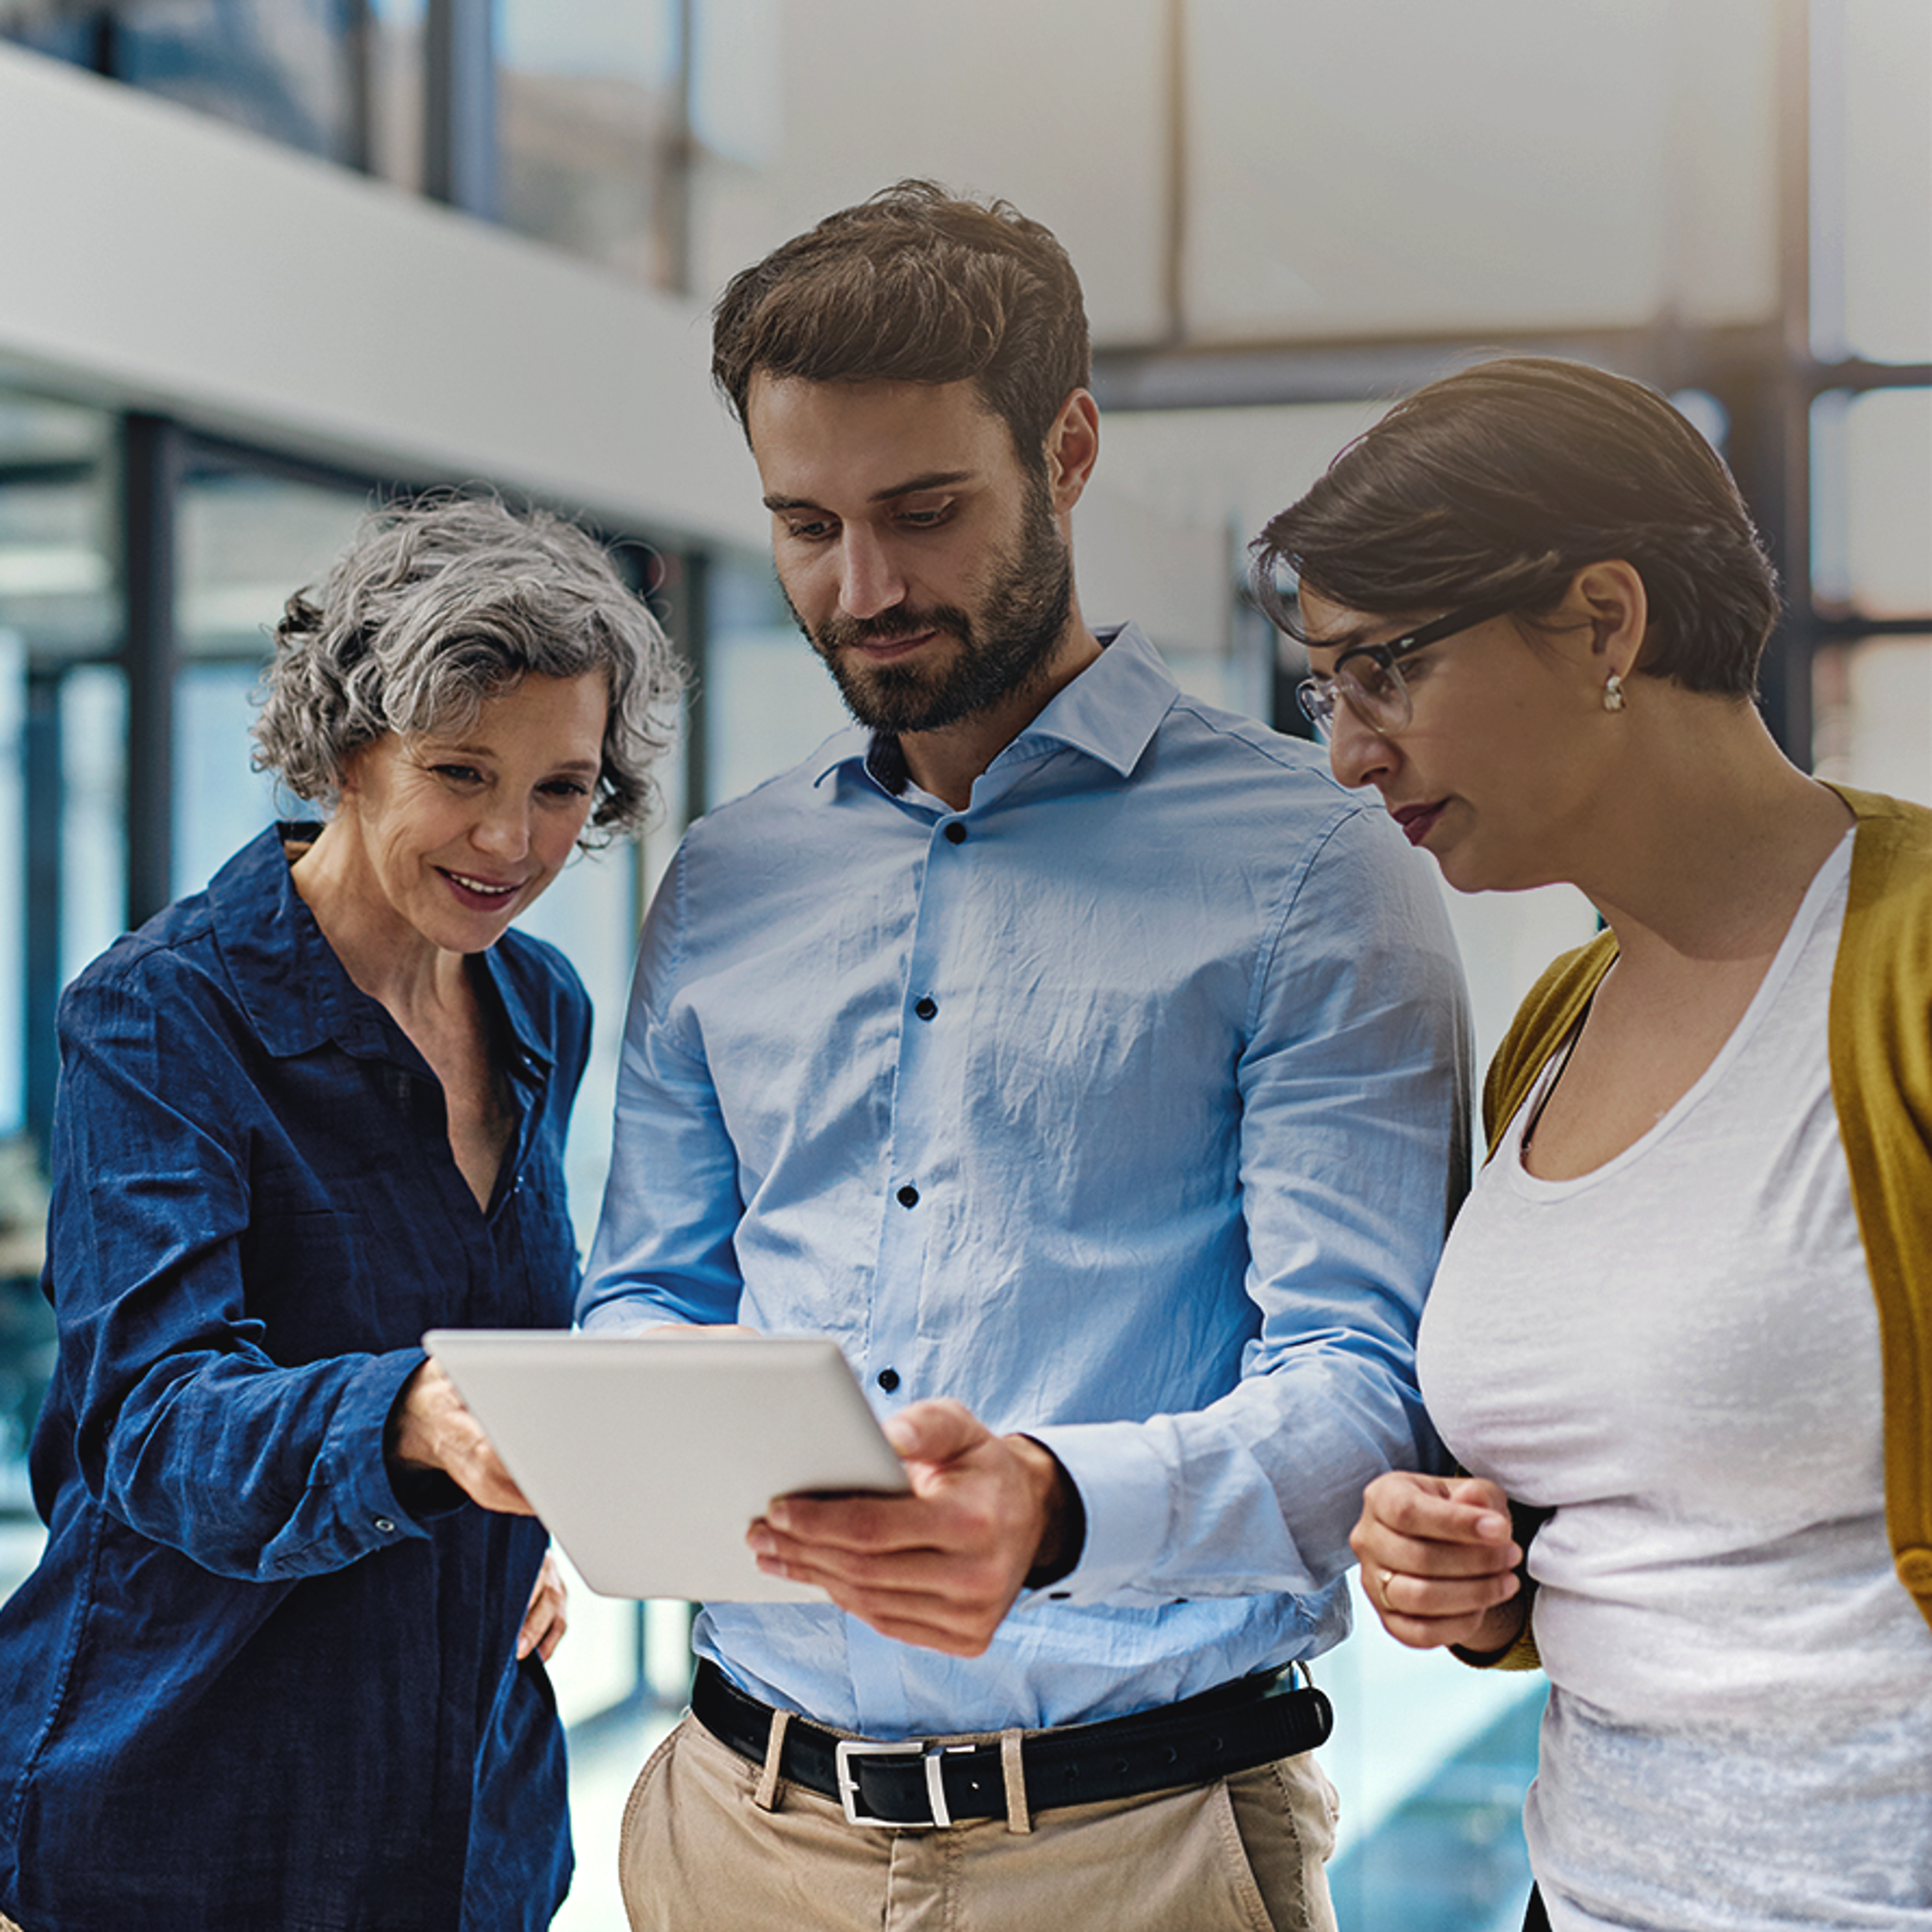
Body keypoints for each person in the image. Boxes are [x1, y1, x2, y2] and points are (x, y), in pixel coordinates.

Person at [579, 181, 1470, 1932]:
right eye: (807, 524)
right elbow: (647, 1297)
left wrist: (1055, 1510)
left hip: (1130, 1850)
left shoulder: (1312, 863)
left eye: (924, 512)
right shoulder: (726, 879)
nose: (866, 586)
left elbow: (1369, 1387)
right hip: (728, 1833)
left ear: (1065, 453)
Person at [1252, 356, 1932, 1931]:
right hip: (1594, 1892)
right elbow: (1660, 1521)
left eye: (1386, 672)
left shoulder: (1900, 969)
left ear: (1607, 622)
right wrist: (1478, 1580)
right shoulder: (1557, 1025)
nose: (1351, 754)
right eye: (1324, 692)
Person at [0, 495, 681, 1931]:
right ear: (347, 750)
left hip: (458, 1811)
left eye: (563, 787)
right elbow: (155, 1421)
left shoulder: (537, 1003)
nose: (513, 838)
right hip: (186, 1802)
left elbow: (481, 1343)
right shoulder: (162, 1013)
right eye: (460, 770)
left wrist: (506, 1520)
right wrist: (420, 1424)